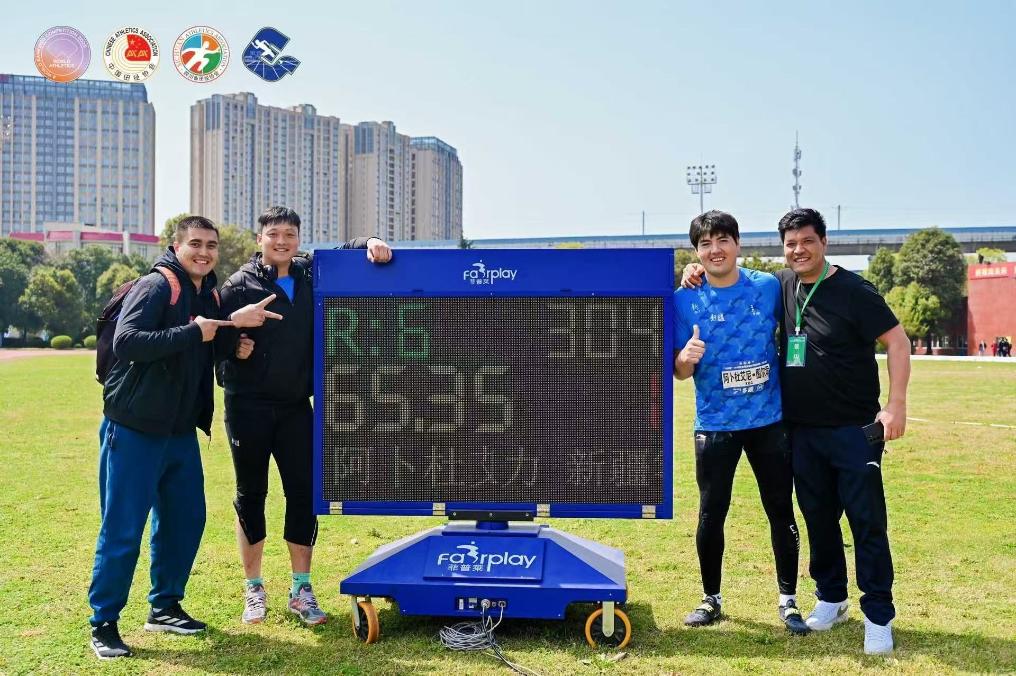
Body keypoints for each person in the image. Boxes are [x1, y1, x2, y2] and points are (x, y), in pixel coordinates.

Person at [681, 208, 912, 655]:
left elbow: (898, 342)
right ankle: (831, 598)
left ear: (824, 242)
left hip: (854, 430)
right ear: (783, 249)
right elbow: (721, 276)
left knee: (866, 522)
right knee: (818, 519)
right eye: (791, 244)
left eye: (807, 241)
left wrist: (896, 405)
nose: (799, 250)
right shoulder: (783, 284)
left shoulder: (855, 290)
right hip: (801, 430)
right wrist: (696, 270)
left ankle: (879, 616)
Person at [89, 216, 284, 659]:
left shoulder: (206, 294)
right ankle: (103, 622)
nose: (204, 252)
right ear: (176, 247)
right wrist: (196, 330)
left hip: (178, 432)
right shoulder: (157, 286)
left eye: (211, 245)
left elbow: (201, 348)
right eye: (195, 243)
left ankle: (164, 606)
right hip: (134, 428)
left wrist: (232, 340)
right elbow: (128, 342)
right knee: (123, 529)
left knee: (185, 520)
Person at [215, 206, 393, 626]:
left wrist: (370, 242)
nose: (282, 241)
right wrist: (234, 351)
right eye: (273, 234)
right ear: (259, 239)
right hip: (247, 408)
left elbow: (346, 250)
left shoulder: (312, 272)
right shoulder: (237, 286)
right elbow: (215, 348)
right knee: (251, 495)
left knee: (303, 494)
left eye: (290, 235)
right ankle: (254, 588)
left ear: (298, 239)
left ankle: (301, 589)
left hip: (297, 407)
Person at [673, 211, 808, 635]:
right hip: (715, 424)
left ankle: (788, 601)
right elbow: (679, 372)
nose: (715, 250)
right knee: (711, 512)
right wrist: (685, 358)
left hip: (769, 421)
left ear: (737, 244)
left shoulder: (767, 287)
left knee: (780, 508)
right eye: (705, 244)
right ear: (697, 252)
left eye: (723, 240)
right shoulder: (683, 299)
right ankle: (710, 598)